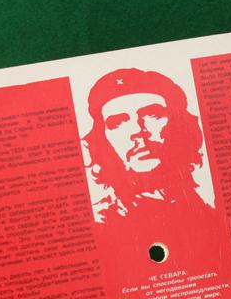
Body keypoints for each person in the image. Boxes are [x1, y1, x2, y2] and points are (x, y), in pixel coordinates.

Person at [84, 68, 211, 226]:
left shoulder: (207, 210)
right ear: (103, 140)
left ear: (179, 125)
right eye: (117, 122)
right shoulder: (102, 222)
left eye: (153, 115)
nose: (137, 130)